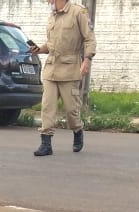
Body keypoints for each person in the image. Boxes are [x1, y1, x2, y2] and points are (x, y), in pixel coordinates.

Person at [28, 0, 96, 157]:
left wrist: (87, 59)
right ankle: (46, 143)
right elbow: (52, 44)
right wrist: (40, 49)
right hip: (51, 69)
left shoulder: (79, 12)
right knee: (47, 107)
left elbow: (89, 38)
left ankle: (77, 130)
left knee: (71, 110)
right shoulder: (52, 15)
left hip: (70, 69)